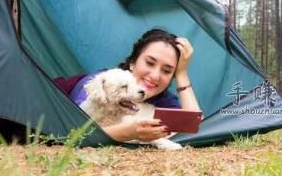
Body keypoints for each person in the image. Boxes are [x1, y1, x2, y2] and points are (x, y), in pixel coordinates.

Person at [69, 29, 201, 142]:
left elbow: (196, 128)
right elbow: (74, 131)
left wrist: (182, 74)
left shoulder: (163, 100)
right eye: (149, 63)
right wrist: (129, 132)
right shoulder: (103, 83)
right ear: (132, 62)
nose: (155, 76)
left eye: (167, 71)